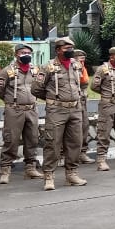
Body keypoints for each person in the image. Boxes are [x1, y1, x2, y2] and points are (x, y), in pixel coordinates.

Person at [30, 37, 88, 190]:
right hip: (56, 110)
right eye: (66, 48)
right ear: (57, 50)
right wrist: (52, 98)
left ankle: (72, 174)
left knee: (75, 142)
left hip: (75, 109)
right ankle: (49, 175)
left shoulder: (76, 65)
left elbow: (81, 84)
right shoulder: (48, 67)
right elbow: (36, 89)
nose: (70, 50)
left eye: (71, 47)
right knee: (52, 143)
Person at [0, 43, 44, 184]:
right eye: (23, 52)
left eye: (28, 52)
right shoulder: (7, 71)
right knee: (11, 140)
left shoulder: (35, 70)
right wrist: (11, 101)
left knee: (33, 139)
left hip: (31, 109)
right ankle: (5, 170)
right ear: (16, 54)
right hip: (14, 109)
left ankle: (30, 168)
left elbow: (40, 87)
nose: (26, 55)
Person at [73, 49, 94, 164]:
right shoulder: (70, 69)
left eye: (83, 58)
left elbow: (85, 83)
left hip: (82, 101)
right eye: (79, 57)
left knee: (84, 127)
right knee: (69, 130)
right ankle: (63, 155)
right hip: (71, 102)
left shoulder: (83, 69)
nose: (82, 59)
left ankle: (82, 153)